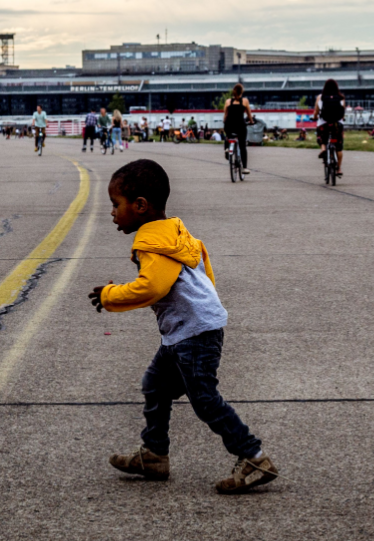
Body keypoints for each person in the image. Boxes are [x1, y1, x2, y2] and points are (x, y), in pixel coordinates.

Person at [88, 159, 278, 494]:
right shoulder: (174, 231)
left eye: (116, 205)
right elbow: (204, 265)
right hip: (189, 330)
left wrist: (109, 295)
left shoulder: (151, 243)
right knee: (155, 385)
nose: (113, 213)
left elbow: (151, 288)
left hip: (192, 335)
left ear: (140, 206)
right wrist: (206, 308)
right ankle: (154, 454)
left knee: (204, 399)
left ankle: (254, 458)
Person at [313, 79, 345, 176]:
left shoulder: (320, 97)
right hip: (337, 124)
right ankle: (339, 169)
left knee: (322, 138)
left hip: (324, 123)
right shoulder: (341, 97)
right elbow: (342, 112)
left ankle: (323, 149)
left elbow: (316, 111)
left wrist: (315, 117)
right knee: (338, 148)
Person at [223, 84, 254, 175]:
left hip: (229, 125)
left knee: (228, 136)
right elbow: (249, 114)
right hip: (240, 126)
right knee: (242, 145)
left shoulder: (228, 101)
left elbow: (225, 116)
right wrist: (251, 121)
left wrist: (225, 123)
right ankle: (244, 168)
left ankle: (227, 149)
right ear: (242, 92)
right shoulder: (245, 101)